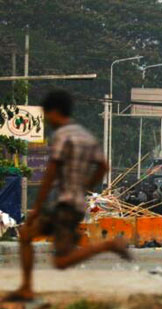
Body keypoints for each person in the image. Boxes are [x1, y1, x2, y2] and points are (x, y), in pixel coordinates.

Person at [4, 90, 130, 302]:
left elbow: (50, 173)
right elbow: (103, 166)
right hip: (72, 204)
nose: (46, 120)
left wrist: (36, 207)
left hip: (65, 207)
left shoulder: (62, 136)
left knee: (61, 261)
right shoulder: (86, 136)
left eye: (47, 115)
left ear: (55, 112)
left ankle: (108, 245)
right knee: (26, 235)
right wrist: (84, 187)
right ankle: (26, 288)